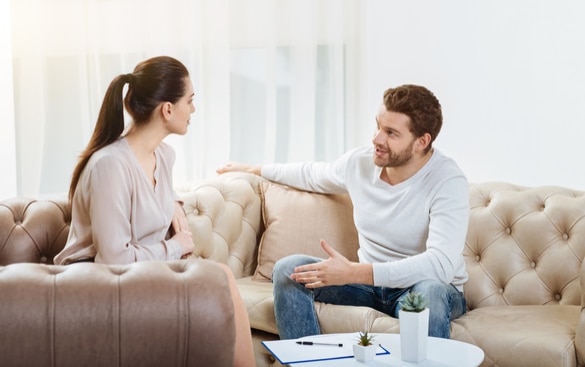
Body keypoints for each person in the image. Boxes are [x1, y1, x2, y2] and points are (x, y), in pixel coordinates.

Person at [217, 84, 469, 340]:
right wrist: (253, 169)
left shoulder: (447, 180)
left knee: (429, 294)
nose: (377, 139)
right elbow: (311, 174)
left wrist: (355, 272)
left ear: (422, 142)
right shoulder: (359, 164)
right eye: (378, 126)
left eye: (391, 133)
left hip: (421, 288)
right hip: (369, 288)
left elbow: (441, 265)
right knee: (289, 271)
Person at [54, 56, 255, 366]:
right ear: (168, 109)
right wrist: (174, 246)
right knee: (221, 278)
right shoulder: (110, 165)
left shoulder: (163, 155)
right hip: (93, 282)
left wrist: (173, 202)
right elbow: (113, 260)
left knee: (221, 278)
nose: (194, 110)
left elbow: (151, 192)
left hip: (138, 275)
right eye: (190, 101)